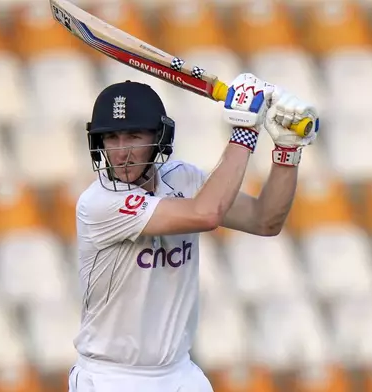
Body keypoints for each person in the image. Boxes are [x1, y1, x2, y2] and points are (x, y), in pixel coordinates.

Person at [70, 73, 319, 392]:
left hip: (179, 373)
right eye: (112, 138)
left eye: (134, 136)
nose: (122, 151)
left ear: (159, 138)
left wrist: (287, 151)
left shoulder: (183, 180)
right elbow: (206, 213)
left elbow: (264, 220)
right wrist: (244, 132)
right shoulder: (99, 204)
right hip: (111, 377)